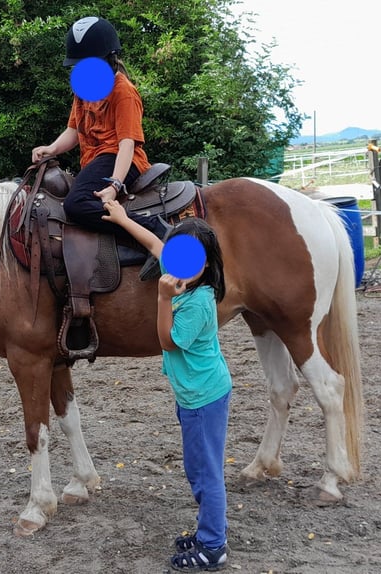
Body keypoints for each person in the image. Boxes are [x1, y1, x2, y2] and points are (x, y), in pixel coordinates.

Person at [102, 199, 233, 572]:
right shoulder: (182, 274)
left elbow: (168, 341)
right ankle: (212, 528)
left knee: (207, 473)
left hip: (203, 397)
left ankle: (213, 546)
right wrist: (125, 219)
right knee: (199, 469)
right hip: (194, 394)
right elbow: (154, 245)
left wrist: (162, 299)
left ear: (204, 264)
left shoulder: (198, 304)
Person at [31, 16, 170, 270]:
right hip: (96, 161)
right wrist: (51, 148)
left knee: (76, 204)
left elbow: (127, 144)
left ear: (107, 59)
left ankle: (156, 230)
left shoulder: (123, 92)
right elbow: (73, 130)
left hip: (120, 158)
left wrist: (115, 185)